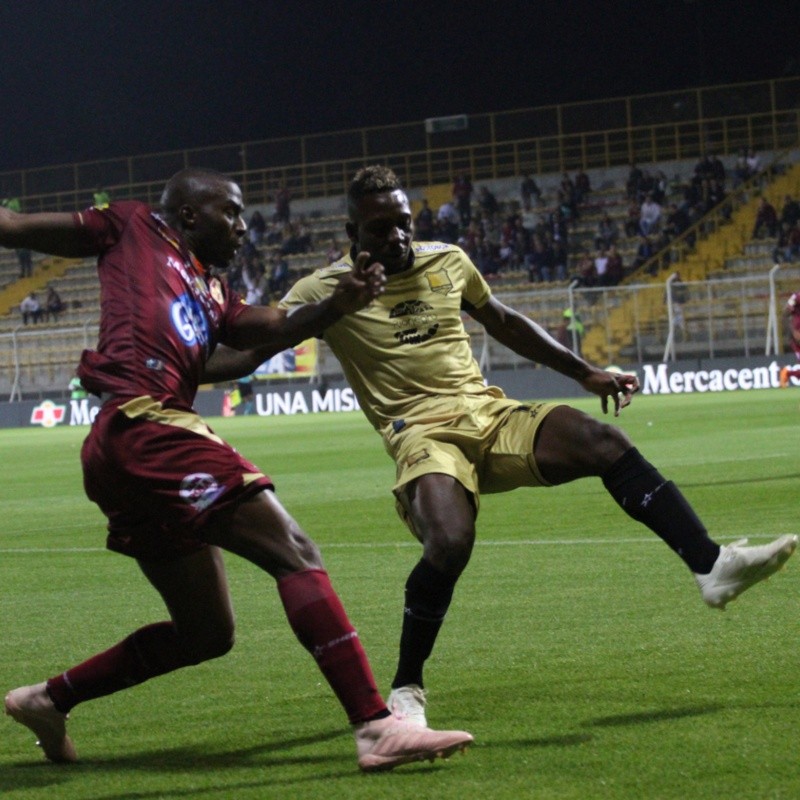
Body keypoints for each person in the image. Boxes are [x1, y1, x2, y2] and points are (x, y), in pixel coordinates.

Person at [205, 165, 797, 729]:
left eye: (403, 220)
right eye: (380, 228)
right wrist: (167, 371)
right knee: (450, 541)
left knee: (603, 440)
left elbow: (506, 321)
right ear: (351, 235)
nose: (397, 235)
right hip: (421, 433)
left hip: (490, 413)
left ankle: (711, 565)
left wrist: (585, 373)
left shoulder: (448, 262)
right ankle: (407, 688)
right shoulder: (328, 289)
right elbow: (252, 352)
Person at [0, 167, 472, 771]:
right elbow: (11, 227)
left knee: (206, 633)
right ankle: (375, 727)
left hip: (122, 451)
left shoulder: (211, 291)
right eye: (233, 212)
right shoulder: (132, 226)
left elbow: (267, 333)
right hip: (146, 424)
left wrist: (338, 303)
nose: (245, 227)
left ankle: (47, 700)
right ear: (191, 214)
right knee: (294, 550)